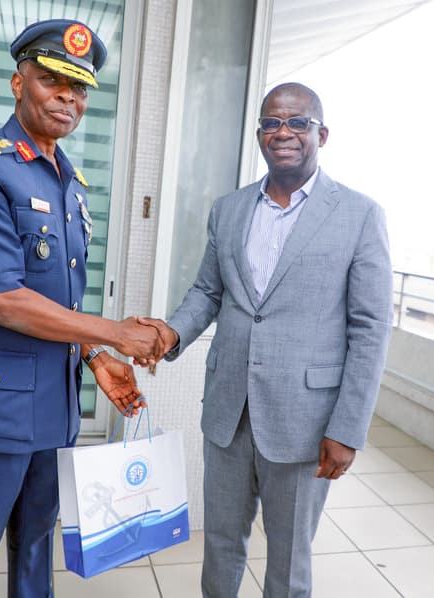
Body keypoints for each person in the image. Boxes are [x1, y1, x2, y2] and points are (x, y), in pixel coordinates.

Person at [0, 19, 162, 597]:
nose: (68, 98)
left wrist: (96, 354)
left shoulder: (69, 183)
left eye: (78, 88)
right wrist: (117, 331)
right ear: (18, 83)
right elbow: (0, 300)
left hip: (55, 401)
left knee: (36, 540)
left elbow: (57, 297)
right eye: (53, 80)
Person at [142, 83, 393, 597]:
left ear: (321, 134)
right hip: (229, 412)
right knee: (220, 546)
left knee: (289, 560)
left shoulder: (360, 214)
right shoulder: (228, 209)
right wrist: (168, 335)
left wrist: (348, 428)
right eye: (271, 122)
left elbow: (369, 329)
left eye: (297, 122)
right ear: (259, 134)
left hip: (306, 423)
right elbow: (208, 292)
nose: (283, 132)